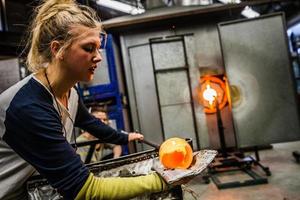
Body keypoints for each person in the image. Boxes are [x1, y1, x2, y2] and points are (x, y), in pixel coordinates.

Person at [0, 0, 168, 199]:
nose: (98, 57)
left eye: (98, 48)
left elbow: (89, 123)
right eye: (89, 48)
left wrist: (124, 137)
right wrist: (163, 179)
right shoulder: (28, 107)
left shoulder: (69, 92)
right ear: (57, 49)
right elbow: (85, 190)